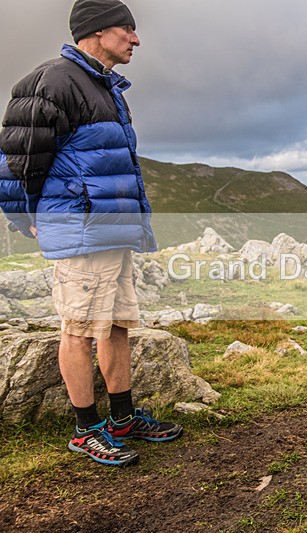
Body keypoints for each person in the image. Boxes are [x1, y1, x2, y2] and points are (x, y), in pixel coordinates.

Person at [0, 0, 182, 467]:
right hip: (79, 228)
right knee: (79, 329)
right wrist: (27, 219)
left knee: (116, 325)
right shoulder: (53, 81)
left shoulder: (104, 87)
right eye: (127, 29)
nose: (136, 39)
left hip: (111, 230)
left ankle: (121, 419)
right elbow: (15, 162)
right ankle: (86, 429)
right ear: (98, 32)